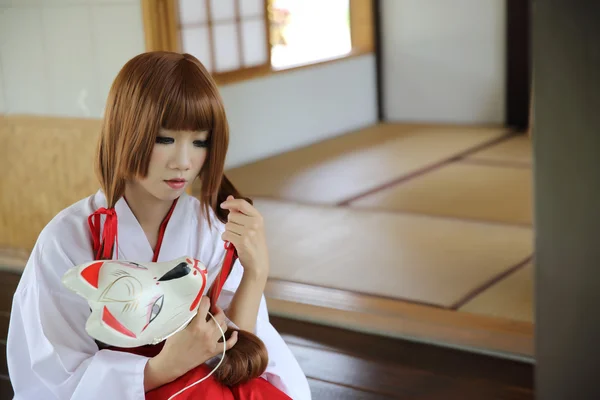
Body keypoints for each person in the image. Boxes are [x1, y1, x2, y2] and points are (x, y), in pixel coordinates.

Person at [6, 51, 311, 400]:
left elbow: (235, 360)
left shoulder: (210, 229)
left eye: (199, 141)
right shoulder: (65, 240)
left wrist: (256, 272)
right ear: (126, 132)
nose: (183, 162)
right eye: (164, 139)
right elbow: (54, 379)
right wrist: (160, 369)